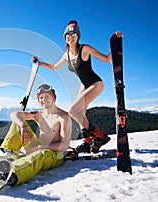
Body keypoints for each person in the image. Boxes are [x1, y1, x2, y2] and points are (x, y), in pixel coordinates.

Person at [32, 20, 122, 153]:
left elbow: (107, 59)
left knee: (73, 111)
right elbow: (54, 67)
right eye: (68, 35)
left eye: (73, 34)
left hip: (95, 84)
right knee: (80, 113)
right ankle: (88, 141)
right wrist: (39, 63)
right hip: (84, 85)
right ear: (65, 38)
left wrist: (115, 43)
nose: (71, 37)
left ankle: (100, 136)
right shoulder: (67, 55)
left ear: (78, 36)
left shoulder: (84, 49)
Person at [0, 84, 72, 192]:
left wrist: (40, 147)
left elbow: (64, 145)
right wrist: (22, 125)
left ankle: (12, 173)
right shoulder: (39, 114)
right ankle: (11, 155)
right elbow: (14, 114)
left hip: (54, 153)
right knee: (18, 122)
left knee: (41, 155)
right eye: (41, 97)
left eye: (47, 96)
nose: (44, 100)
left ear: (54, 97)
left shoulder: (63, 117)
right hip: (39, 146)